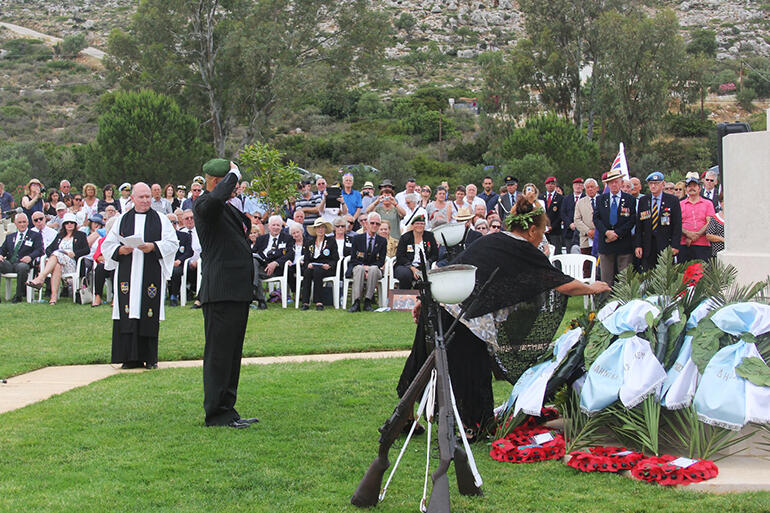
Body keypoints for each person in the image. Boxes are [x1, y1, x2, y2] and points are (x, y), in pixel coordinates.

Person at [397, 197, 611, 439]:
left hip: (441, 303)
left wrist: (425, 298)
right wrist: (592, 287)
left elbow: (454, 266)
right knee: (470, 369)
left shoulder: (493, 239)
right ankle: (472, 427)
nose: (542, 237)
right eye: (541, 231)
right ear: (531, 230)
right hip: (466, 318)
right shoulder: (524, 249)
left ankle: (405, 417)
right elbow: (561, 283)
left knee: (422, 359)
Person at [194, 159, 257, 428]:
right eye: (231, 183)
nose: (236, 188)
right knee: (219, 355)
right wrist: (233, 175)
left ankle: (228, 409)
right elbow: (214, 201)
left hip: (236, 291)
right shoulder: (204, 204)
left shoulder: (226, 208)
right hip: (220, 292)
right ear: (216, 183)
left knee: (232, 354)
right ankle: (217, 413)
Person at [99, 183, 178, 369]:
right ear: (132, 198)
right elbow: (107, 245)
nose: (145, 200)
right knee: (128, 311)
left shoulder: (160, 219)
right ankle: (129, 358)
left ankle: (150, 358)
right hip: (128, 272)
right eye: (141, 197)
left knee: (148, 312)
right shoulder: (122, 220)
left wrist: (154, 247)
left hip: (150, 272)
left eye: (148, 197)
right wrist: (121, 249)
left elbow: (172, 243)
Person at [26, 212, 89, 304]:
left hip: (72, 263)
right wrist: (52, 256)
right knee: (57, 265)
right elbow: (48, 249)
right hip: (59, 263)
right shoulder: (60, 236)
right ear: (64, 225)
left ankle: (41, 278)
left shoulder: (80, 235)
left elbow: (86, 250)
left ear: (75, 224)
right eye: (67, 223)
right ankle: (53, 297)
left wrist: (75, 253)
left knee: (56, 254)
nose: (69, 224)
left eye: (72, 222)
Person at [594, 169, 636, 286]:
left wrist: (617, 233)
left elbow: (632, 220)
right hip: (606, 243)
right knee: (606, 280)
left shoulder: (629, 199)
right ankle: (606, 303)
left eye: (616, 182)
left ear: (621, 183)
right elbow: (596, 219)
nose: (613, 184)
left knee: (624, 280)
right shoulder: (601, 199)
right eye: (611, 182)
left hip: (623, 244)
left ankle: (624, 303)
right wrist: (607, 232)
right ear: (607, 184)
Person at [634, 171, 682, 271]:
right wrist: (638, 245)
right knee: (647, 275)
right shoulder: (644, 201)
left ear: (663, 184)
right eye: (651, 183)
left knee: (665, 276)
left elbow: (677, 225)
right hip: (647, 246)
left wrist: (675, 245)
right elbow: (639, 226)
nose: (653, 186)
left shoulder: (672, 200)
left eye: (656, 183)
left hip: (665, 244)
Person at [251, 215, 294, 310]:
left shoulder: (288, 238)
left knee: (253, 271)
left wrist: (275, 263)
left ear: (281, 227)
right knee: (253, 262)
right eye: (273, 225)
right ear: (269, 226)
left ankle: (256, 294)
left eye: (278, 225)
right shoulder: (261, 239)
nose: (275, 227)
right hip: (261, 266)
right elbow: (253, 252)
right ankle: (260, 300)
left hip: (276, 270)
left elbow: (290, 254)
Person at [347, 211, 387, 312]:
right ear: (366, 224)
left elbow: (381, 260)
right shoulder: (357, 238)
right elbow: (353, 258)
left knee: (373, 269)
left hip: (374, 270)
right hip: (359, 267)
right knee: (359, 269)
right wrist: (364, 268)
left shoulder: (382, 241)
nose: (374, 225)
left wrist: (369, 269)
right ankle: (356, 302)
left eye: (377, 224)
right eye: (372, 223)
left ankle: (368, 301)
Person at [0, 213, 43, 303]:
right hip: (10, 263)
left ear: (27, 223)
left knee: (22, 267)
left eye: (24, 222)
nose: (22, 224)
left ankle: (18, 296)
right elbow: (2, 250)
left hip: (23, 263)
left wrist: (30, 257)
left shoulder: (35, 235)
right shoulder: (10, 237)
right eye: (20, 222)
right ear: (15, 223)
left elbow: (39, 250)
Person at [299, 217, 338, 310]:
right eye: (318, 227)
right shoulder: (309, 242)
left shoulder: (331, 241)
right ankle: (305, 302)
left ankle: (319, 302)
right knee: (307, 272)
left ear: (325, 229)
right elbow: (306, 258)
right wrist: (307, 264)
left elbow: (335, 258)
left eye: (322, 227)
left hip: (326, 268)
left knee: (317, 271)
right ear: (315, 229)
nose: (320, 230)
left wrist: (329, 265)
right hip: (313, 266)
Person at [394, 213, 438, 288]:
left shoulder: (429, 236)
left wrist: (428, 263)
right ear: (413, 225)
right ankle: (405, 296)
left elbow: (435, 254)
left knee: (425, 276)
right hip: (406, 266)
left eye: (422, 224)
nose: (420, 226)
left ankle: (422, 296)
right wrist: (412, 268)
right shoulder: (405, 237)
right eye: (417, 223)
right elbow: (400, 256)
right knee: (405, 274)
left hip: (424, 266)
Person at [679, 172, 715, 263]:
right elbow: (676, 223)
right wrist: (688, 234)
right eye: (689, 186)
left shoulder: (708, 203)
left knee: (702, 273)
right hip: (684, 244)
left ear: (699, 188)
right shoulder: (680, 204)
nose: (692, 188)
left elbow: (709, 222)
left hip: (703, 244)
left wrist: (697, 235)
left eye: (694, 185)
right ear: (686, 189)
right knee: (684, 274)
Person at [167, 213, 193, 307]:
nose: (172, 224)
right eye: (169, 222)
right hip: (164, 263)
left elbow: (189, 252)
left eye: (174, 222)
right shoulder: (161, 237)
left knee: (176, 271)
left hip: (178, 263)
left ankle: (174, 296)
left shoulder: (184, 236)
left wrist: (179, 260)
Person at [574, 178, 598, 258]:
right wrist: (588, 231)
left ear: (597, 188)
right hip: (586, 239)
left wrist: (597, 231)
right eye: (588, 187)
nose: (590, 189)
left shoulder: (603, 200)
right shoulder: (580, 202)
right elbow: (577, 220)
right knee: (587, 265)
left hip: (601, 237)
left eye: (592, 187)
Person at [540, 176, 563, 254]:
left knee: (556, 253)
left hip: (555, 230)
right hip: (542, 230)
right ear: (545, 185)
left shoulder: (560, 198)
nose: (550, 185)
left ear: (555, 185)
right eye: (548, 184)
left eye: (552, 184)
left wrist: (551, 226)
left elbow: (560, 215)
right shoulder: (540, 197)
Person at [560, 177, 584, 253]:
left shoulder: (585, 198)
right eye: (576, 185)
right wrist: (570, 224)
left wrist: (578, 224)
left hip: (582, 232)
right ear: (573, 186)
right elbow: (563, 213)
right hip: (569, 231)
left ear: (583, 187)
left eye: (580, 185)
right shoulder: (566, 199)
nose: (578, 187)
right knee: (569, 252)